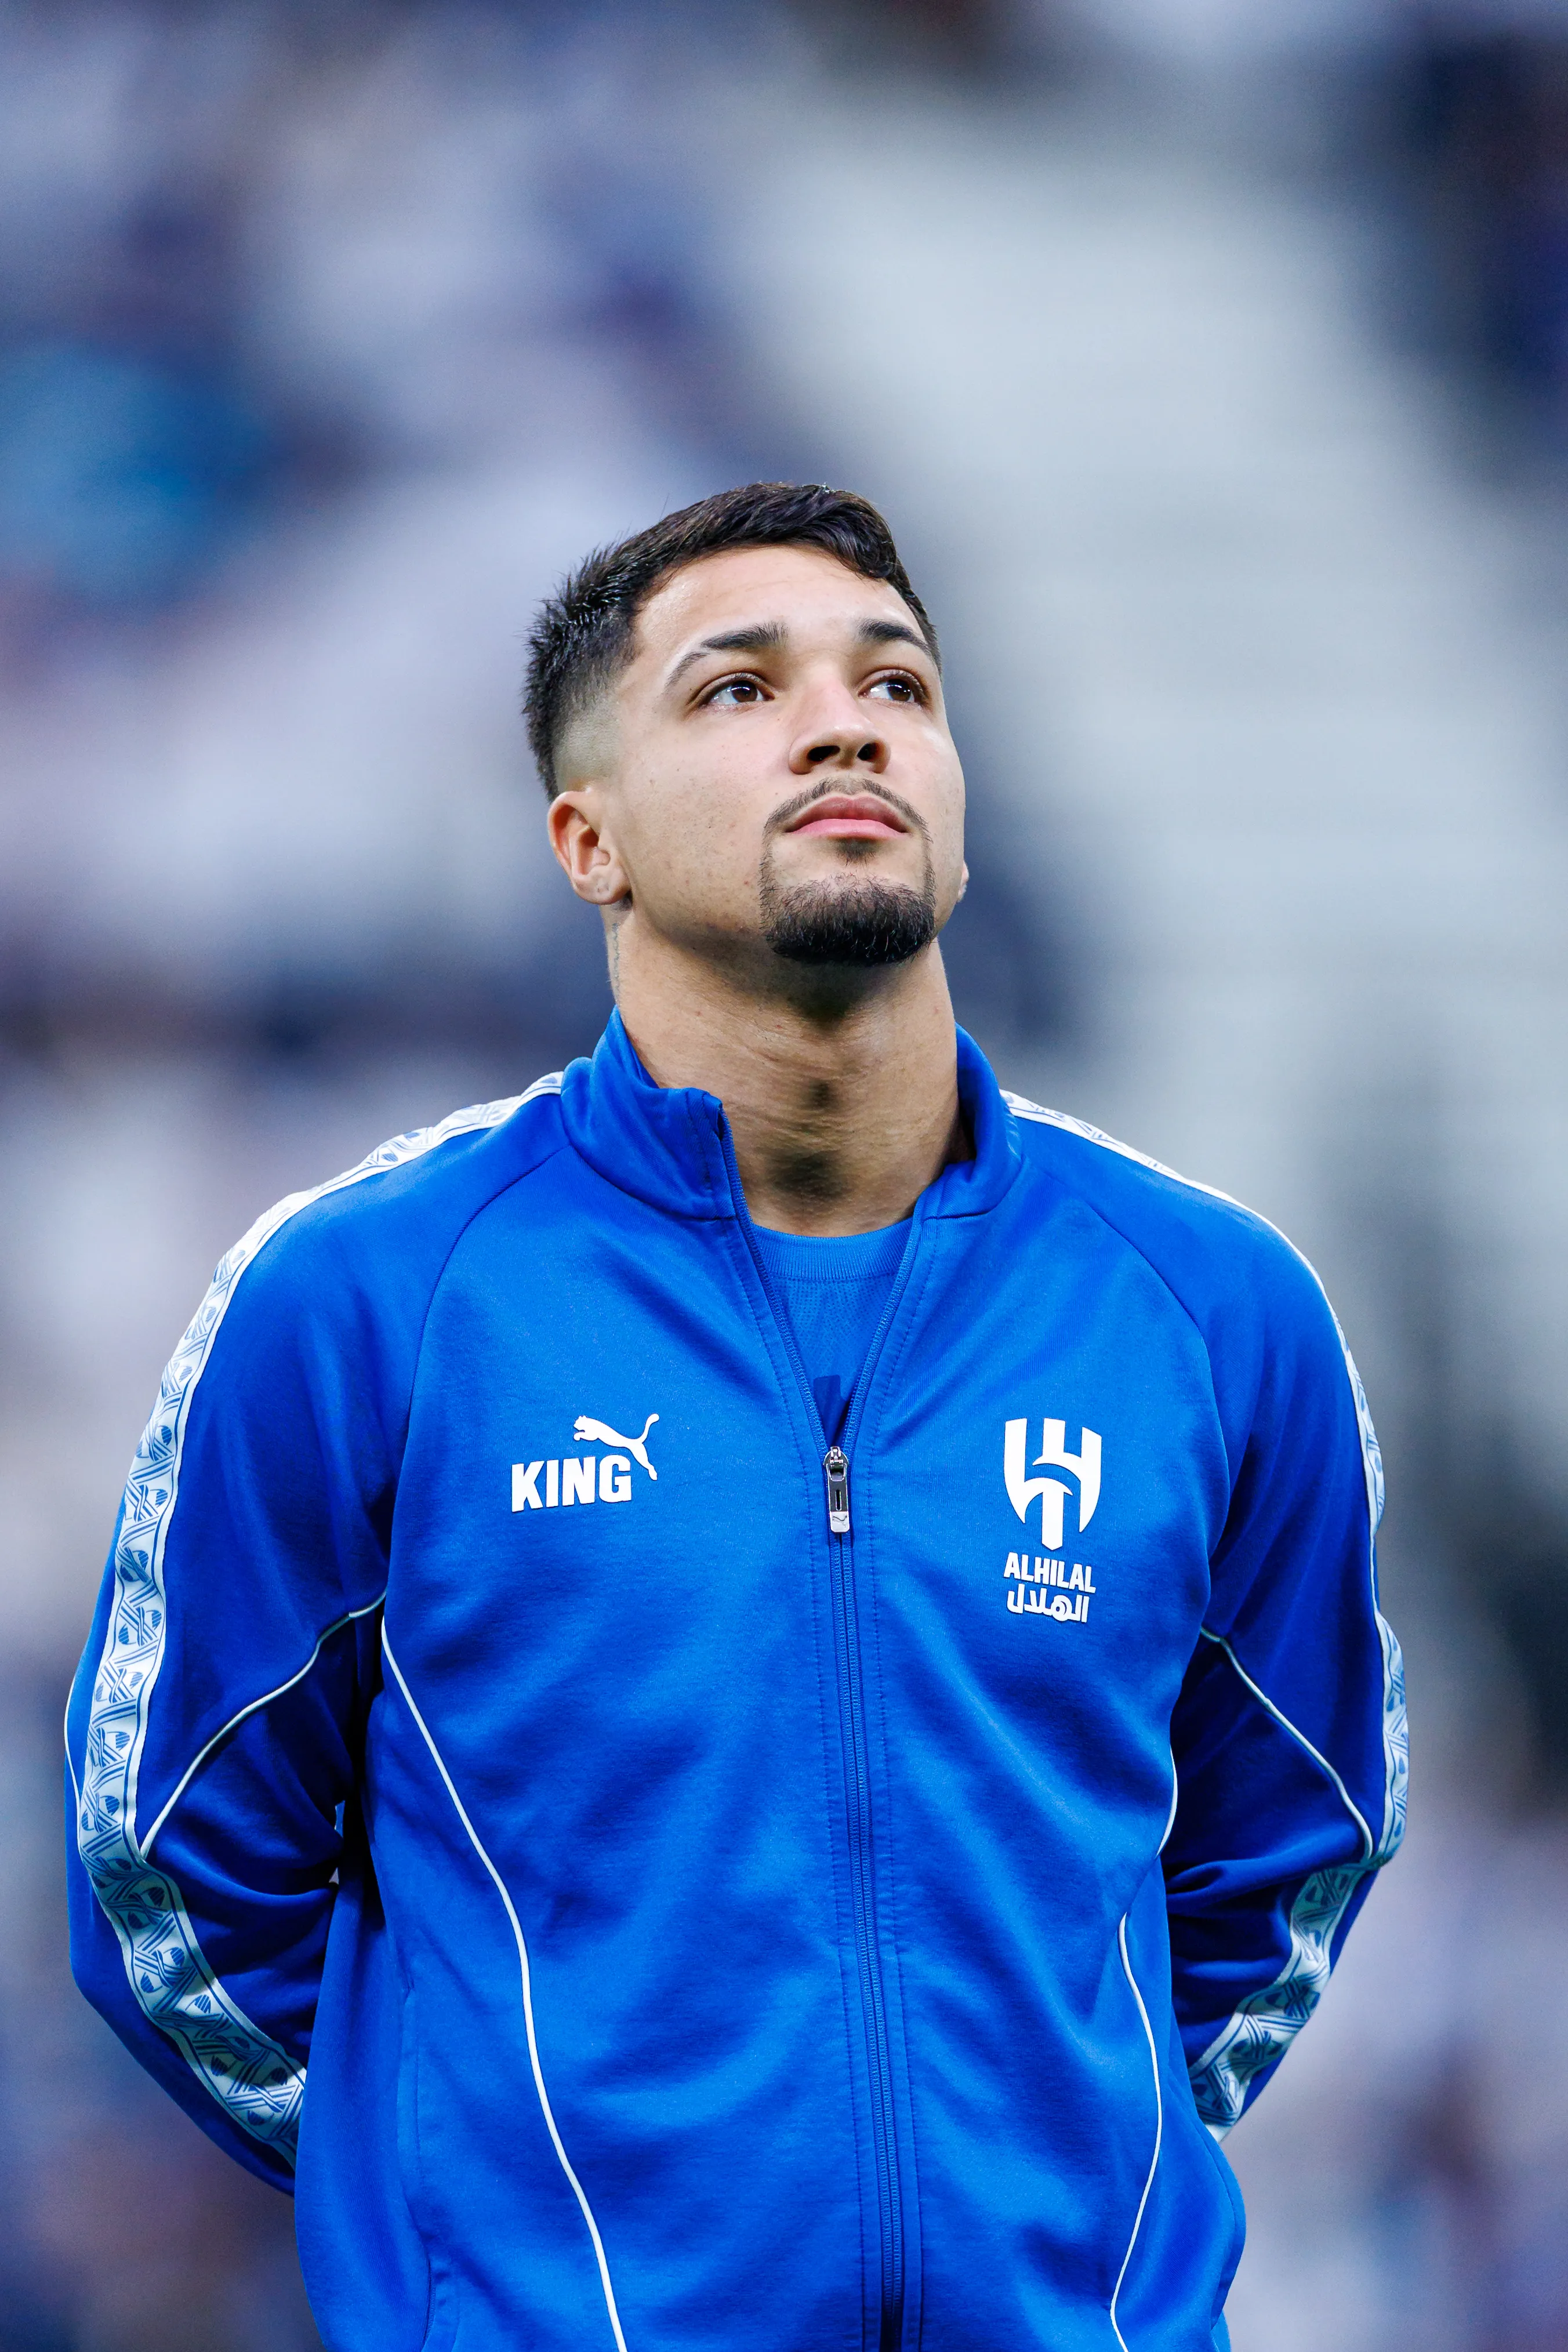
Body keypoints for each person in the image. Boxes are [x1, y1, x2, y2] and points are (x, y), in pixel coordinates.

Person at [67, 482, 1406, 2352]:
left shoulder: (1215, 1309)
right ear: (583, 836)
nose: (848, 721)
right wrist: (480, 2220)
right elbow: (176, 1882)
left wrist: (1042, 2167)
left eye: (900, 684)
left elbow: (1292, 1845)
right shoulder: (369, 1301)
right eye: (737, 689)